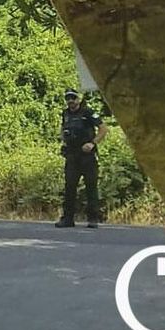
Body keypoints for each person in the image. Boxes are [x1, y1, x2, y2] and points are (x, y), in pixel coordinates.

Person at [56, 88, 108, 229]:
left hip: (87, 156)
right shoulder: (65, 113)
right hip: (72, 155)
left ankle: (93, 219)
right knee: (69, 187)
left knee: (91, 187)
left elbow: (103, 129)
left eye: (73, 98)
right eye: (68, 99)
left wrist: (92, 143)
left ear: (78, 99)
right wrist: (63, 140)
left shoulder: (88, 112)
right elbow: (62, 129)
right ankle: (68, 219)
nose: (70, 101)